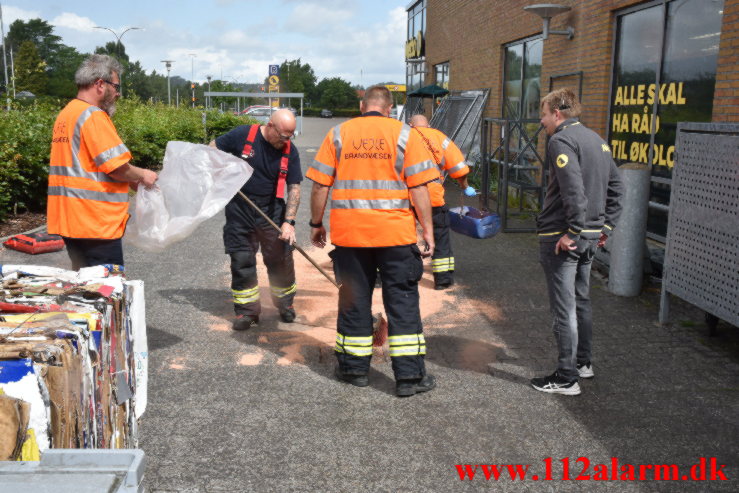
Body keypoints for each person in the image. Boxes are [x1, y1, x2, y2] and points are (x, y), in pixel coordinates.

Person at [307, 85, 439, 397]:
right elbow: (419, 189)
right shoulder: (406, 135)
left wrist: (316, 224)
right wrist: (428, 232)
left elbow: (319, 187)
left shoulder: (339, 134)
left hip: (351, 237)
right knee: (403, 303)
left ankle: (354, 371)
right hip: (395, 236)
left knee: (353, 300)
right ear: (390, 108)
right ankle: (409, 378)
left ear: (362, 105)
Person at [531, 88, 624, 395]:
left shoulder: (560, 139)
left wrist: (572, 231)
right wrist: (604, 228)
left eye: (543, 114)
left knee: (564, 307)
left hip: (564, 238)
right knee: (581, 300)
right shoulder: (597, 140)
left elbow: (573, 190)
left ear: (557, 113)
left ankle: (566, 377)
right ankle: (583, 364)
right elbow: (618, 189)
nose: (542, 121)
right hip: (589, 237)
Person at [47, 54, 158, 273]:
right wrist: (143, 174)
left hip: (69, 219)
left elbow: (88, 167)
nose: (117, 93)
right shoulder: (93, 116)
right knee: (107, 291)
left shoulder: (67, 114)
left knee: (82, 287)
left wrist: (130, 182)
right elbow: (117, 167)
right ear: (100, 84)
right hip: (94, 222)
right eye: (116, 86)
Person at [210, 109, 302, 331]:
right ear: (270, 126)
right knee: (242, 261)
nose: (286, 141)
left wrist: (288, 222)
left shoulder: (291, 151)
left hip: (271, 210)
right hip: (240, 209)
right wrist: (224, 173)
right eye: (283, 136)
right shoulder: (242, 136)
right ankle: (247, 311)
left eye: (290, 136)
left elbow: (295, 188)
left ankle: (285, 305)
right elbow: (211, 149)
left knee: (280, 260)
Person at [409, 114, 476, 289]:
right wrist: (464, 187)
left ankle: (409, 274)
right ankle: (443, 280)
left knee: (405, 238)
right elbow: (460, 170)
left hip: (406, 198)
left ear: (411, 124)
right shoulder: (440, 138)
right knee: (440, 236)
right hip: (433, 197)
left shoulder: (402, 137)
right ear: (428, 125)